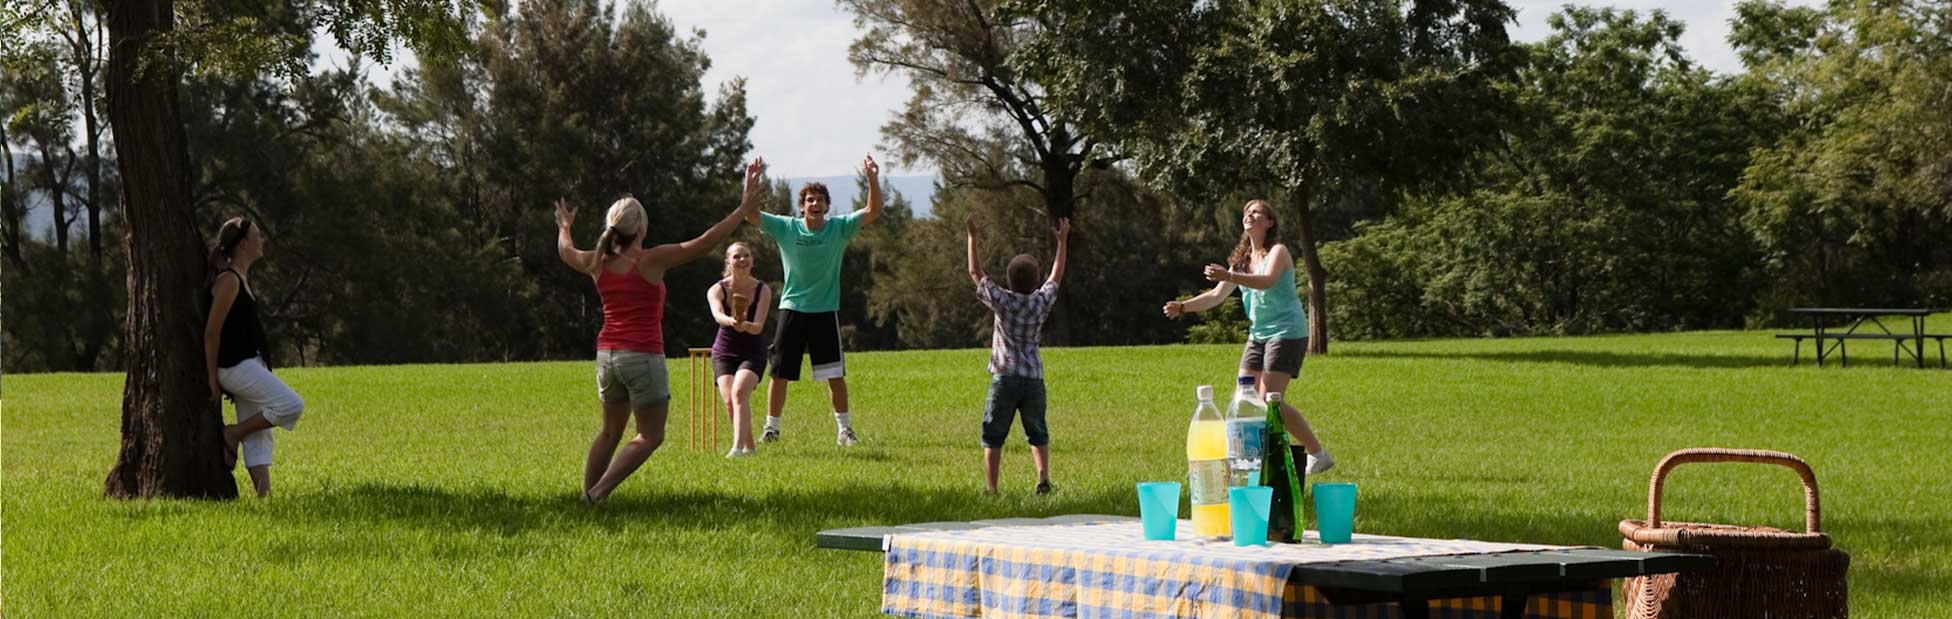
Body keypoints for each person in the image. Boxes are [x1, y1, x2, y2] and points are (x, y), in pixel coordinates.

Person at [557, 158, 764, 503]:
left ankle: (589, 498)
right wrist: (741, 210)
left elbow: (565, 252)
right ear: (640, 228)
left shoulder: (597, 261)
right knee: (650, 435)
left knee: (610, 432)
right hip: (642, 356)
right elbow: (702, 243)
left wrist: (564, 225)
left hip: (607, 357)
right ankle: (597, 494)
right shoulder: (649, 259)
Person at [1163, 199, 1334, 474]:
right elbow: (1215, 297)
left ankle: (1317, 453)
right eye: (1246, 212)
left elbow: (1266, 281)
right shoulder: (1241, 261)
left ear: (1269, 222)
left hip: (1286, 331)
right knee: (1242, 399)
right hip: (1258, 334)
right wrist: (1183, 307)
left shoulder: (1278, 252)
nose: (1249, 215)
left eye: (1257, 212)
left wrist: (1229, 274)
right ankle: (1245, 460)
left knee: (1270, 401)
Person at [744, 155, 884, 446]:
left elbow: (873, 211)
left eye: (820, 199)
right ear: (802, 205)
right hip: (792, 309)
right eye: (810, 199)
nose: (815, 204)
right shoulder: (786, 228)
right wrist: (751, 181)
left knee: (834, 375)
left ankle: (844, 431)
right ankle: (771, 429)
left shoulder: (839, 228)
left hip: (825, 312)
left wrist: (872, 178)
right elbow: (751, 215)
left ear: (826, 206)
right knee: (779, 373)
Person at [966, 217, 1070, 495]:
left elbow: (975, 272)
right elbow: (1056, 276)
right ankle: (1043, 477)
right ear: (1036, 280)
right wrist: (1062, 242)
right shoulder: (1041, 301)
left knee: (993, 435)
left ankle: (991, 488)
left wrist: (973, 237)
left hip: (1004, 377)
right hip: (1033, 378)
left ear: (1009, 280)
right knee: (1038, 431)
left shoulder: (1003, 300)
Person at [204, 216, 306, 498]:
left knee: (259, 433)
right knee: (291, 405)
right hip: (234, 367)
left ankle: (265, 499)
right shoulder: (228, 281)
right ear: (243, 243)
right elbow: (212, 333)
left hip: (250, 363)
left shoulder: (242, 279)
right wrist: (212, 379)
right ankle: (232, 434)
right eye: (257, 235)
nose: (262, 240)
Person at [705, 241, 771, 457]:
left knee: (739, 392)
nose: (742, 260)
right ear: (728, 261)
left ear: (752, 260)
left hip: (753, 351)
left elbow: (758, 326)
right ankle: (750, 448)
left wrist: (746, 325)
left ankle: (736, 449)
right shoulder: (717, 289)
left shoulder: (763, 290)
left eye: (746, 256)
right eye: (736, 256)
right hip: (724, 350)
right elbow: (717, 315)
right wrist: (731, 321)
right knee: (730, 401)